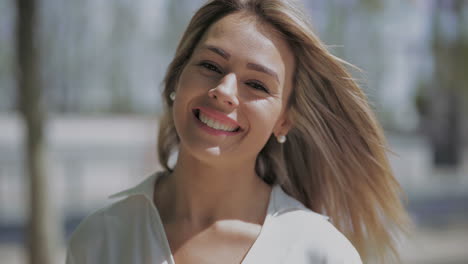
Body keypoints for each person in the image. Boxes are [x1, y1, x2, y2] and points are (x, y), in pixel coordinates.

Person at [66, 0, 409, 263]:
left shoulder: (320, 253)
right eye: (211, 65)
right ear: (177, 79)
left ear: (284, 120)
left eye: (257, 84)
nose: (225, 91)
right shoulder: (100, 240)